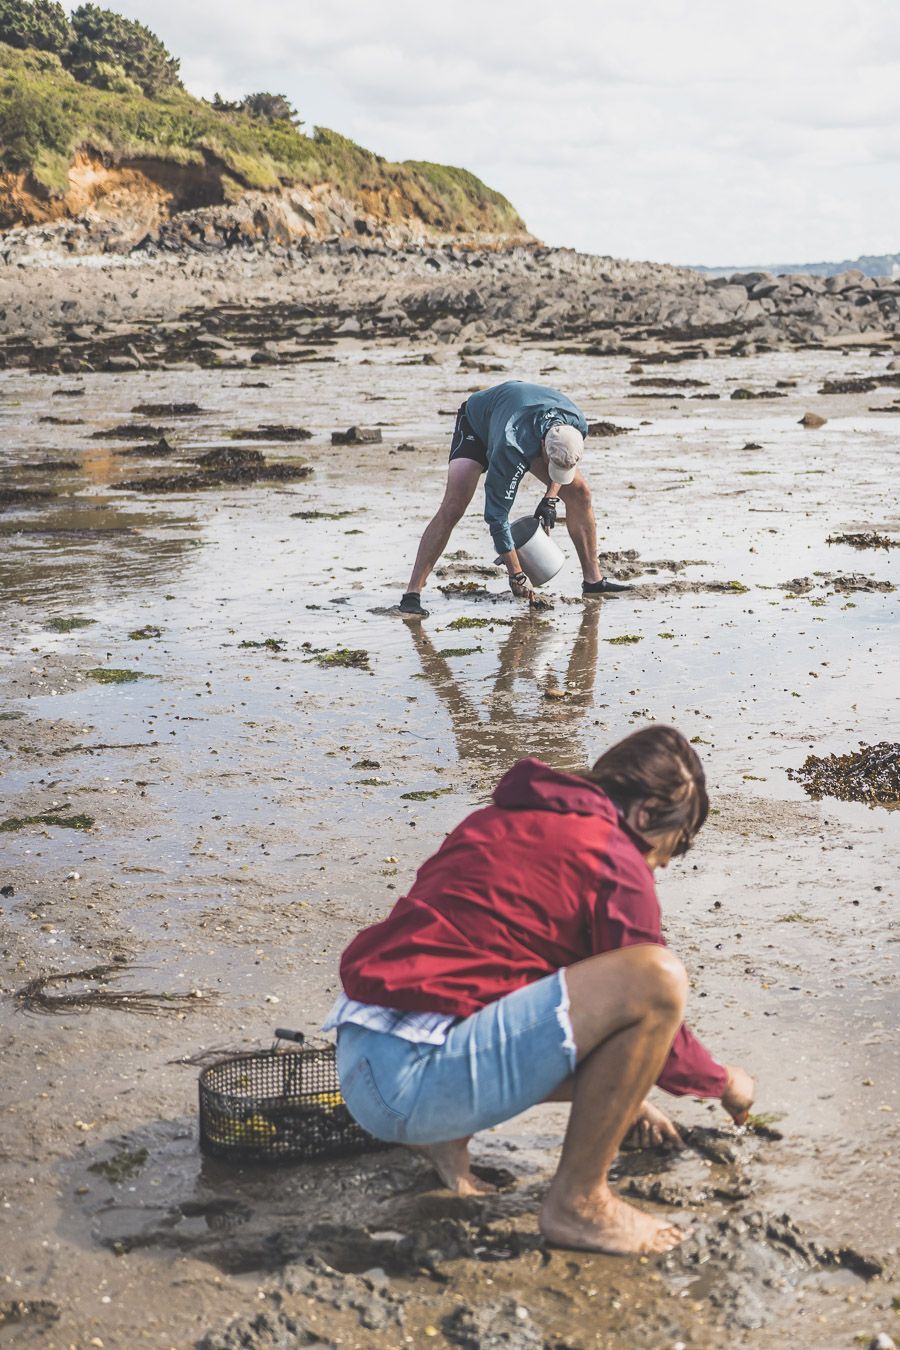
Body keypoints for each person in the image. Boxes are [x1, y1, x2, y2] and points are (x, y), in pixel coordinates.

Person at [324, 725, 754, 1255]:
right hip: (410, 1084)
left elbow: (519, 988)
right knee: (657, 978)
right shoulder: (613, 856)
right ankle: (580, 1203)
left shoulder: (506, 818)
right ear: (646, 814)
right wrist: (724, 1082)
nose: (662, 863)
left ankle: (446, 1139)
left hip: (362, 1060)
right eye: (673, 845)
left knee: (571, 986)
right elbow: (647, 1010)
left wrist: (627, 1099)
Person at [398, 380, 631, 616]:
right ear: (542, 447)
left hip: (528, 421)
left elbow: (564, 460)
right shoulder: (511, 447)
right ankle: (411, 594)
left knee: (581, 494)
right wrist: (516, 574)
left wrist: (550, 498)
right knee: (453, 507)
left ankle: (593, 581)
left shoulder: (576, 425)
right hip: (477, 425)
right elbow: (496, 516)